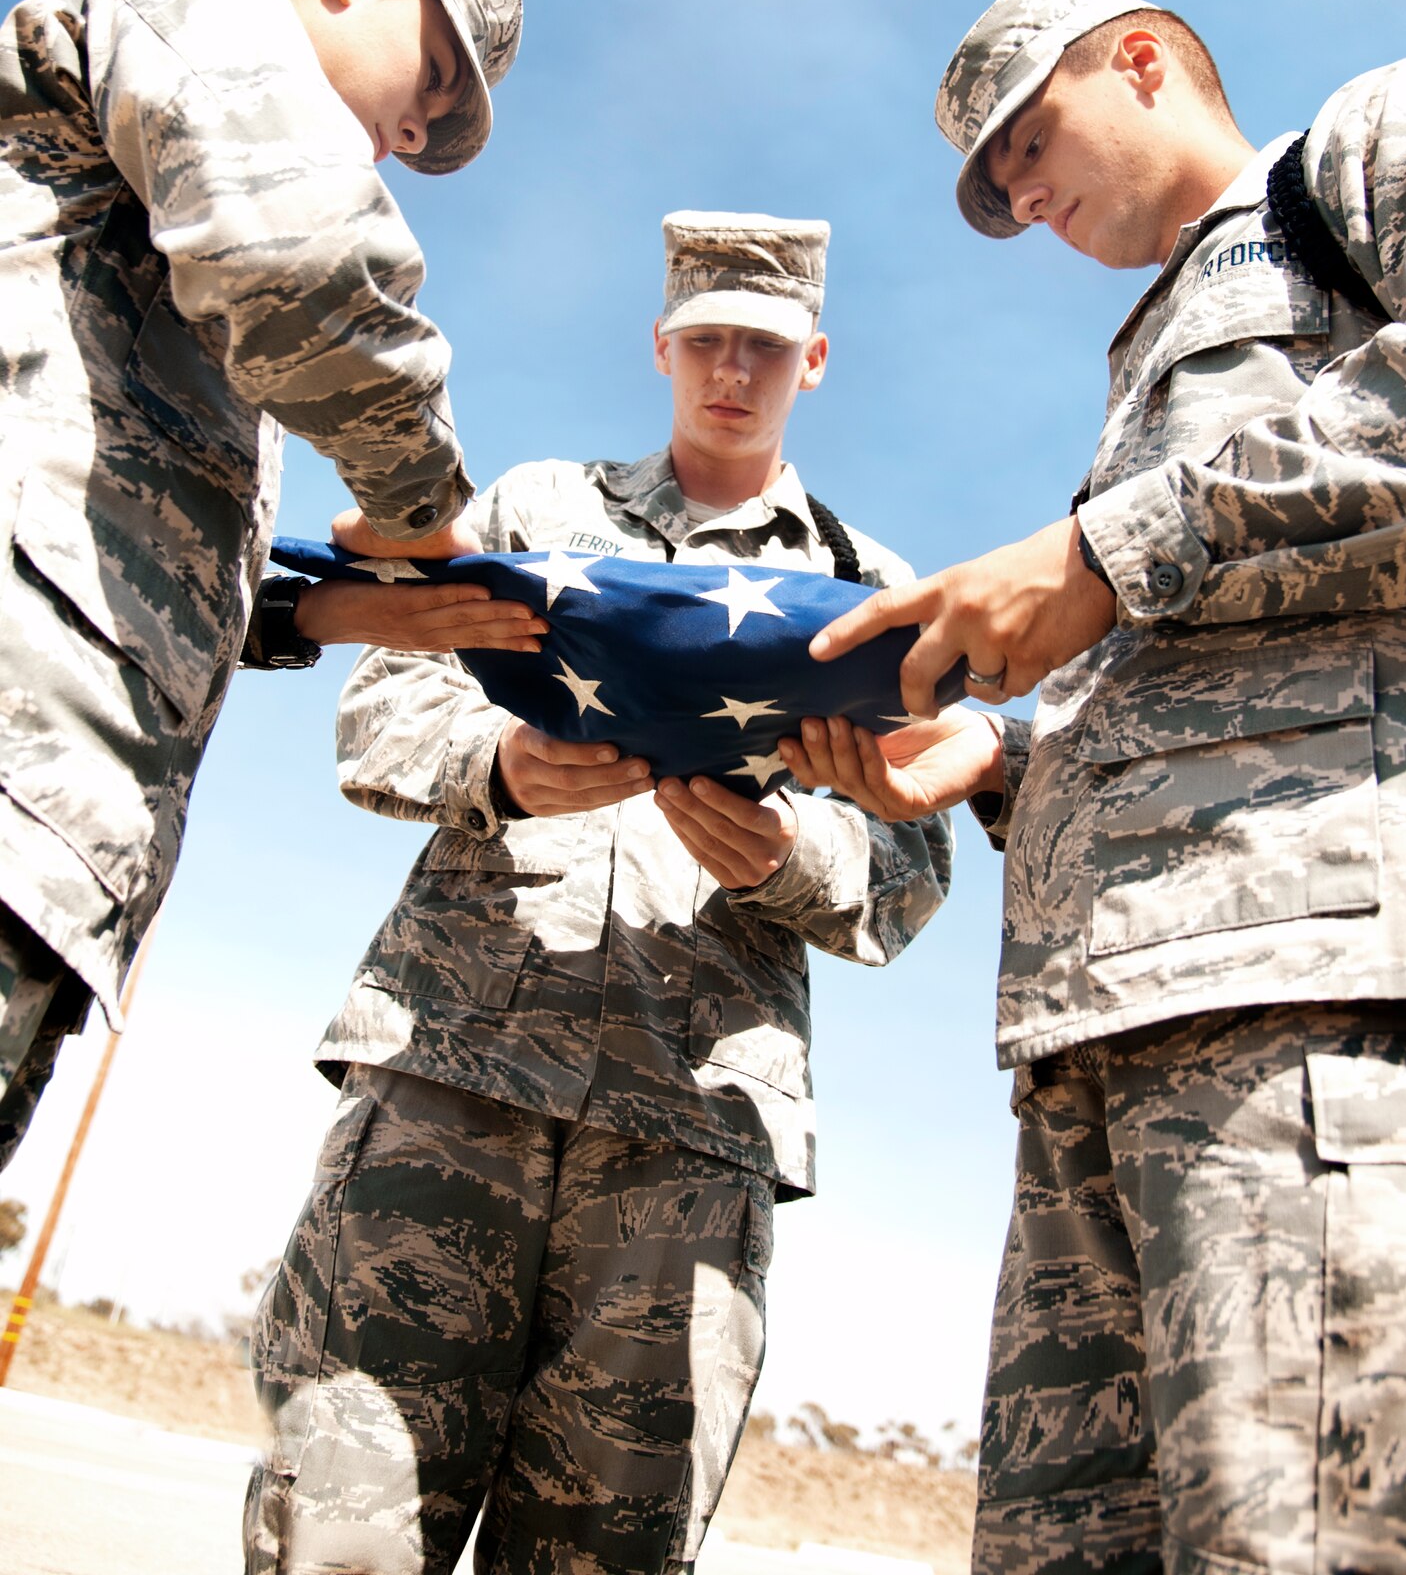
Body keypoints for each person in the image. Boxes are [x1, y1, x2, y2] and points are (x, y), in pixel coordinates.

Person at [792, 0, 1406, 1572]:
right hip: (1100, 1043)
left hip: (1308, 1010)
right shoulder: (1144, 352)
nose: (1020, 202)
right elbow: (1210, 679)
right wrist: (991, 759)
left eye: (1025, 146)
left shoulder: (1362, 154)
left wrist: (1107, 550)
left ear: (1145, 60)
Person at [245, 212, 955, 1575]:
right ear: (661, 348)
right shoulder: (532, 514)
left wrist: (795, 859)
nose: (730, 371)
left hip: (688, 1136)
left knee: (605, 1554)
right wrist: (499, 761)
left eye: (762, 346)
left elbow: (910, 863)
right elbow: (380, 716)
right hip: (450, 1078)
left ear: (813, 359)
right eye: (705, 343)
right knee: (336, 1525)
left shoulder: (869, 594)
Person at [0, 0, 543, 1168]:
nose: (405, 143)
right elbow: (301, 260)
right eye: (424, 95)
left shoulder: (177, 273)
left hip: (56, 859)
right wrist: (424, 506)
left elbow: (116, 515)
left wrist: (325, 609)